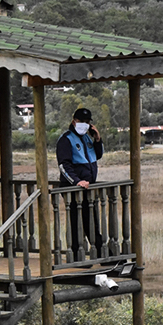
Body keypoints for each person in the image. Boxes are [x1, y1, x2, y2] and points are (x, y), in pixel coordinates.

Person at [56, 107, 104, 260]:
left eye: (87, 122)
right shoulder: (66, 139)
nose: (84, 124)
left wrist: (97, 139)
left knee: (92, 221)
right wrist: (77, 181)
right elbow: (64, 165)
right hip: (73, 188)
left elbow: (98, 155)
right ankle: (77, 256)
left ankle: (100, 253)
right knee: (76, 223)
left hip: (88, 188)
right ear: (73, 121)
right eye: (81, 121)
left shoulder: (87, 138)